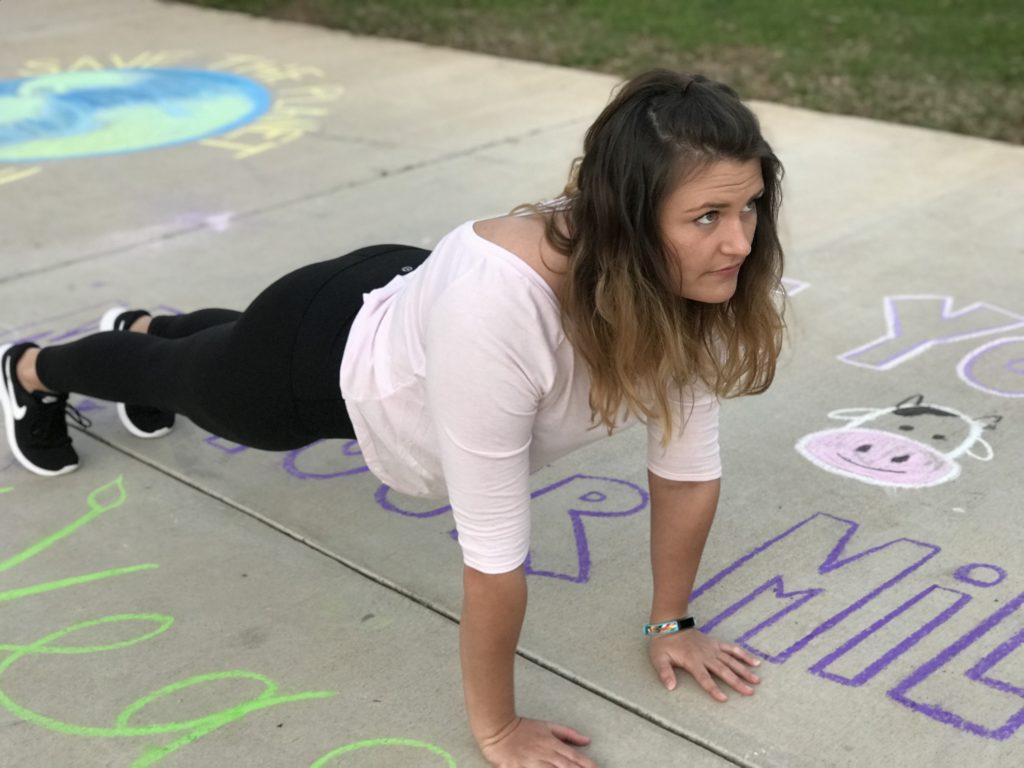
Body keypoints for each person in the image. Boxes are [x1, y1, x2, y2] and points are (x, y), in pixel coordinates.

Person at [0, 69, 785, 767]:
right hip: (321, 357)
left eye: (748, 207)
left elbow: (685, 471)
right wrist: (499, 728)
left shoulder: (683, 283)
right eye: (708, 217)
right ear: (627, 217)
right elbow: (493, 558)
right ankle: (33, 369)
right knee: (203, 388)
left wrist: (670, 623)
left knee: (204, 356)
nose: (740, 242)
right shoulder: (498, 315)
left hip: (400, 305)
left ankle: (150, 328)